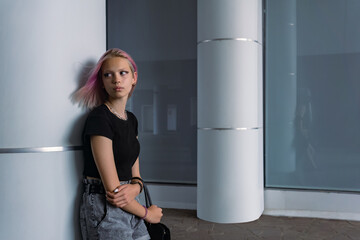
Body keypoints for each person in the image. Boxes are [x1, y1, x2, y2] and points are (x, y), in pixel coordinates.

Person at [73, 48, 163, 239]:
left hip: (131, 200)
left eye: (123, 73)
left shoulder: (131, 120)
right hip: (104, 207)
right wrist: (149, 214)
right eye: (108, 75)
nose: (116, 79)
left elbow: (135, 173)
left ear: (134, 78)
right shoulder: (99, 118)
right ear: (103, 83)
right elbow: (113, 191)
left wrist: (136, 187)